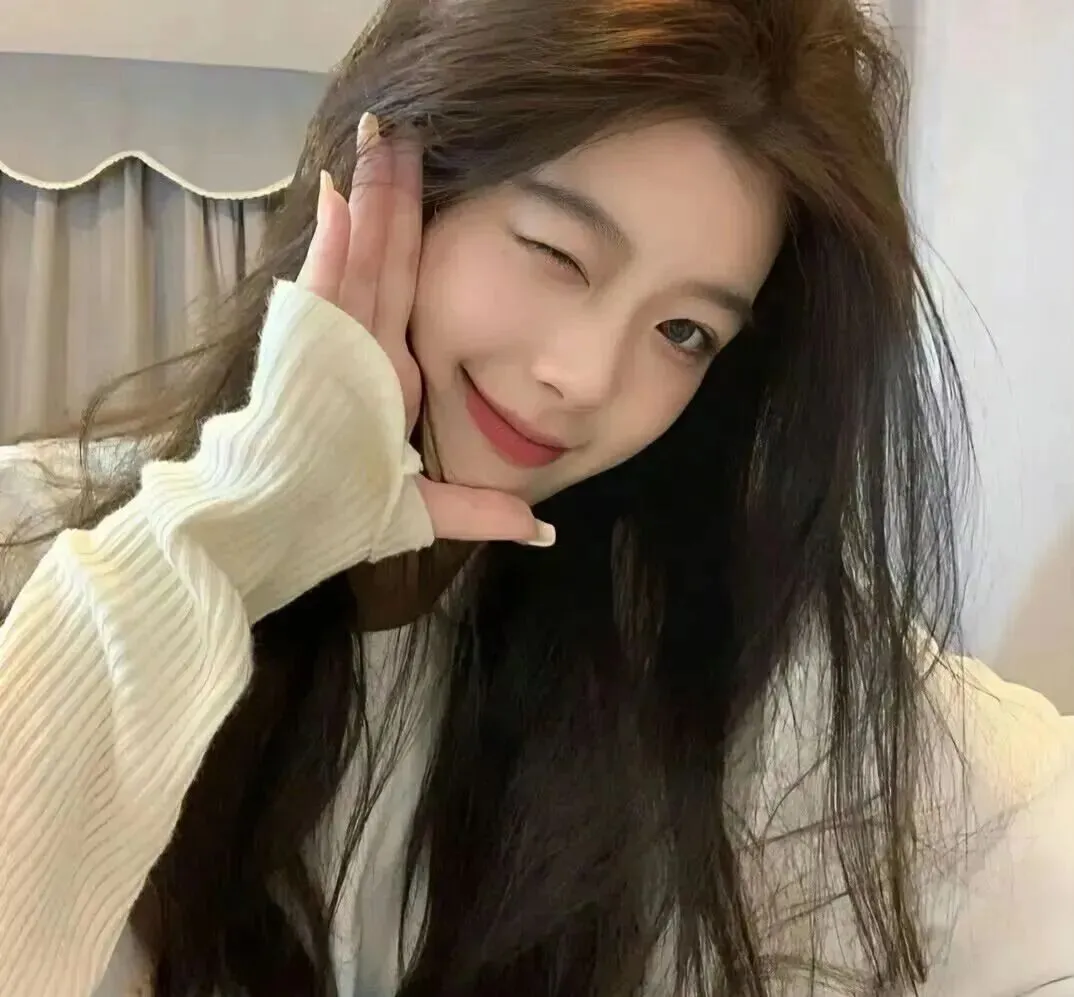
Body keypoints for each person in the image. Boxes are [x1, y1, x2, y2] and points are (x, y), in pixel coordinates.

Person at [1, 0, 1072, 994]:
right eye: (558, 252)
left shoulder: (721, 651)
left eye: (685, 331)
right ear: (394, 184)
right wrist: (223, 540)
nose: (587, 377)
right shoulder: (35, 540)